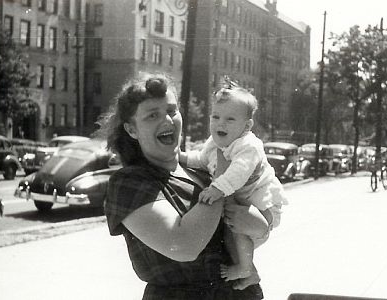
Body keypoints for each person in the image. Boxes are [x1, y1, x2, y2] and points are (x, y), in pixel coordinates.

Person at [97, 72, 269, 299]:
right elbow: (184, 245)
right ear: (131, 129)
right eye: (152, 115)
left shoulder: (204, 168)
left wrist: (259, 225)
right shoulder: (130, 183)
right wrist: (223, 184)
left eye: (171, 111)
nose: (167, 120)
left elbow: (259, 229)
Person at [179, 77, 288, 282]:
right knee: (231, 233)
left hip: (263, 205)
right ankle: (250, 271)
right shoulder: (215, 143)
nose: (221, 123)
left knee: (237, 230)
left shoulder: (248, 145)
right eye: (216, 116)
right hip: (244, 203)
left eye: (230, 119)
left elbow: (239, 171)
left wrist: (217, 188)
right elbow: (201, 160)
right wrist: (181, 157)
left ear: (246, 126)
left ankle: (245, 268)